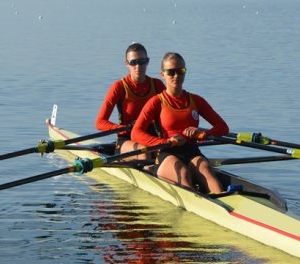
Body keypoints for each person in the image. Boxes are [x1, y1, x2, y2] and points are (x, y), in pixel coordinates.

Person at [131, 52, 229, 194]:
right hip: (167, 152)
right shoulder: (156, 102)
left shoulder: (196, 100)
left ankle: (225, 207)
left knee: (207, 172)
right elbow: (136, 132)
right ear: (162, 74)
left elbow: (223, 128)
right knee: (182, 173)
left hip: (191, 150)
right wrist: (165, 141)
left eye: (180, 71)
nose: (176, 76)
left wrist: (202, 134)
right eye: (171, 72)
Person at [96, 42, 166, 158]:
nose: (138, 67)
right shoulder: (119, 87)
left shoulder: (157, 85)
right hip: (127, 138)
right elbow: (100, 122)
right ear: (127, 63)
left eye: (141, 62)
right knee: (145, 153)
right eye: (133, 62)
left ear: (147, 61)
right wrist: (121, 129)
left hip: (152, 137)